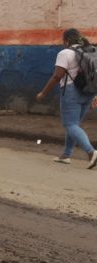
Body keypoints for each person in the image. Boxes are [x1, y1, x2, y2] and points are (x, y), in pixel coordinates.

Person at [35, 28, 97, 169]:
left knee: (70, 125)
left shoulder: (65, 53)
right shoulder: (91, 50)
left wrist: (43, 93)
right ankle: (66, 155)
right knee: (74, 124)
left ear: (67, 40)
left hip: (71, 91)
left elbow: (57, 76)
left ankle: (91, 152)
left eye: (63, 41)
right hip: (89, 92)